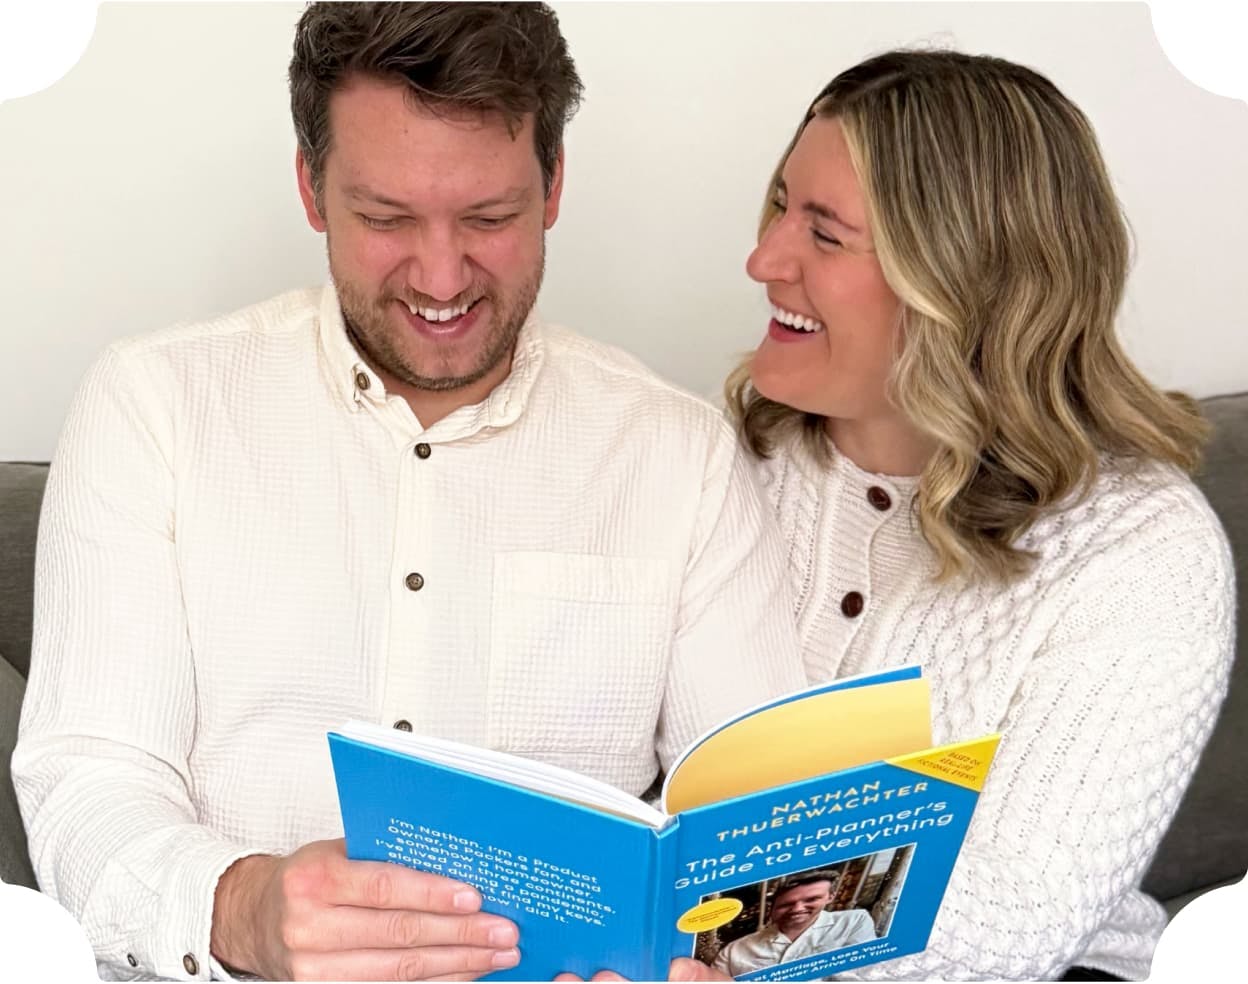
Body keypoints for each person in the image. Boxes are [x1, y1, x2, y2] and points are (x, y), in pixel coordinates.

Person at [11, 4, 805, 981]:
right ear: (311, 188)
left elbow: (761, 841)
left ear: (553, 185)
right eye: (386, 218)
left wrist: (719, 957)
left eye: (489, 218)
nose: (440, 274)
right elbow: (87, 777)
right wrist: (243, 907)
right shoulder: (154, 406)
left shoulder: (681, 456)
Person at [723, 49, 1236, 982]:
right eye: (778, 203)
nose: (764, 259)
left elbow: (1004, 929)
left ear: (961, 286)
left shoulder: (1141, 552)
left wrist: (726, 952)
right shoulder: (723, 462)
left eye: (825, 234)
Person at [710, 874, 876, 976]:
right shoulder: (735, 950)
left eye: (812, 899)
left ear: (831, 896)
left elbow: (861, 974)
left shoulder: (854, 921)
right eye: (787, 904)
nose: (797, 909)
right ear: (771, 907)